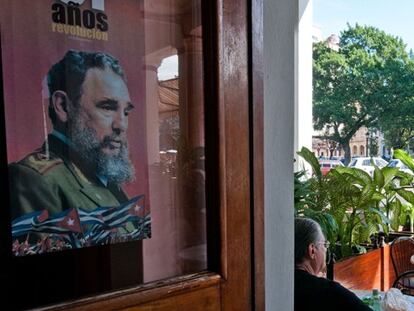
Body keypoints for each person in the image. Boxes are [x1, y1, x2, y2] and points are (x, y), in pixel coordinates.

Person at [9, 50, 140, 246]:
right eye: (107, 107)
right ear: (63, 106)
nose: (121, 125)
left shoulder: (101, 171)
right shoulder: (34, 179)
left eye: (126, 111)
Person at [295, 217, 371, 311]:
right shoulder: (329, 292)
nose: (326, 250)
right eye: (324, 245)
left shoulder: (276, 287)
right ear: (312, 250)